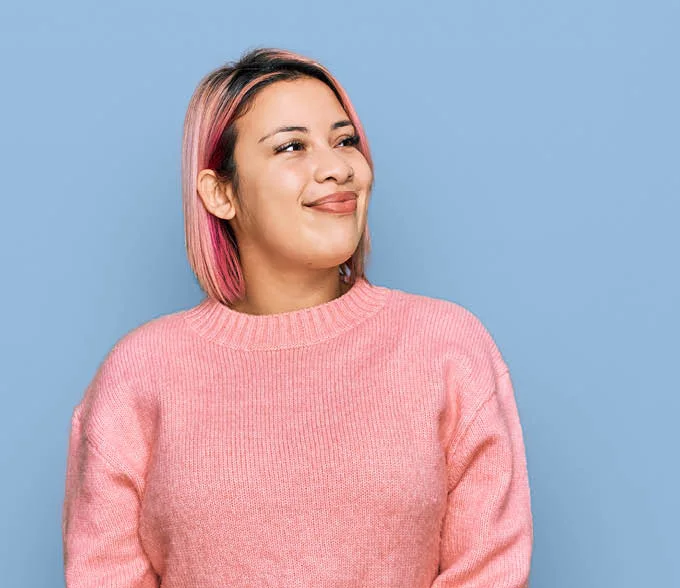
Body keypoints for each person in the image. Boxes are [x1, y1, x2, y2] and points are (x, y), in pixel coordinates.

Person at [61, 47, 533, 587]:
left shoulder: (447, 346)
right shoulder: (139, 372)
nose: (337, 168)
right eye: (292, 146)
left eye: (344, 141)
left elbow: (490, 569)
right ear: (220, 193)